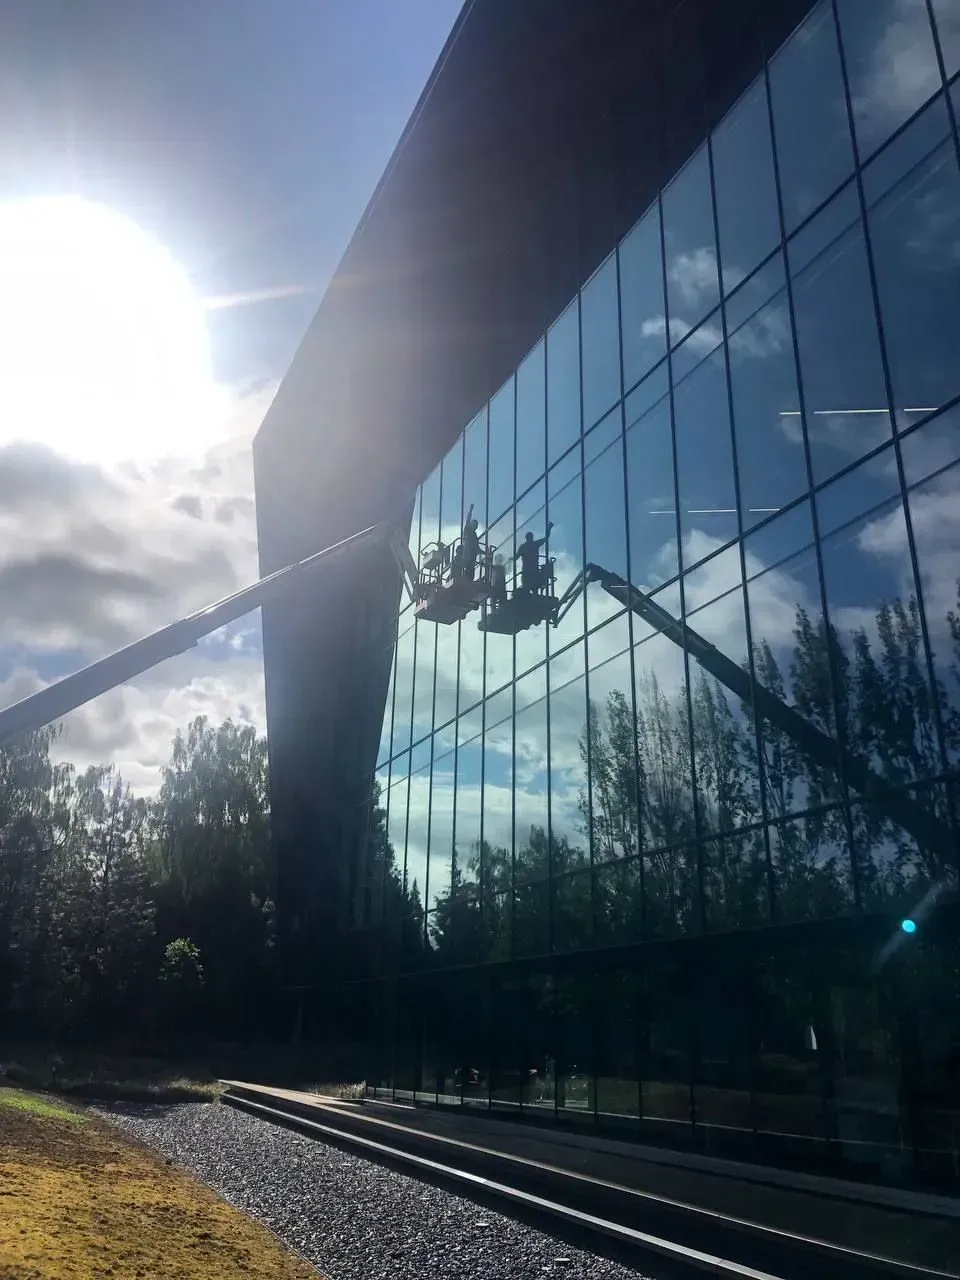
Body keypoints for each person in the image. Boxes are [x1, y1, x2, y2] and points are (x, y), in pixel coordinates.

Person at [514, 521, 553, 591]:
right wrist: (549, 528)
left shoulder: (523, 547)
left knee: (528, 589)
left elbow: (516, 557)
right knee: (533, 589)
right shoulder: (534, 544)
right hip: (532, 572)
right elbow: (546, 537)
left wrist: (510, 559)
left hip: (528, 572)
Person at [461, 503, 480, 579]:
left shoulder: (475, 535)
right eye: (474, 524)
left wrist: (485, 553)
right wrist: (471, 510)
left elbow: (477, 548)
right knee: (467, 570)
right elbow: (467, 519)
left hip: (472, 557)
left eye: (476, 525)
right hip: (467, 554)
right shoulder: (467, 530)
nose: (475, 526)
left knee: (471, 573)